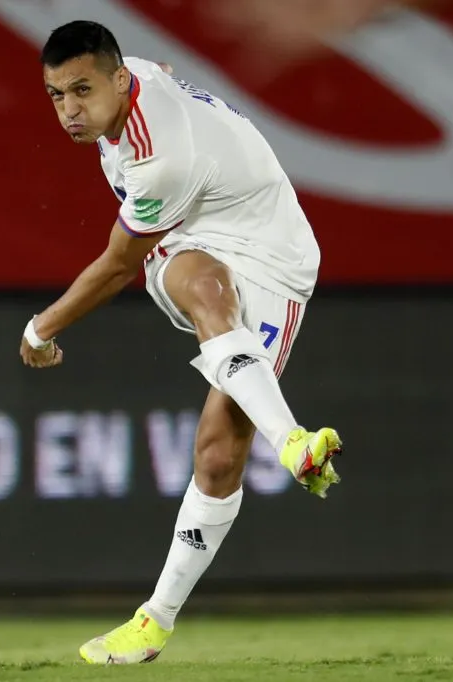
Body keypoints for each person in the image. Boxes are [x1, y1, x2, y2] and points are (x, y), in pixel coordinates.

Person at [18, 21, 343, 665]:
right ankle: (296, 445)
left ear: (116, 79)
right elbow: (161, 70)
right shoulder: (134, 77)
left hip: (277, 258)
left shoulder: (160, 159)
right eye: (56, 95)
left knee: (218, 456)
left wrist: (41, 327)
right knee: (201, 279)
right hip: (201, 245)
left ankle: (153, 623)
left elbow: (114, 268)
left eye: (82, 90)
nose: (70, 110)